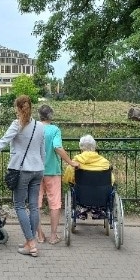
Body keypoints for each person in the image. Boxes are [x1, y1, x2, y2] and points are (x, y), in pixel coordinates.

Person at [0, 95, 45, 257]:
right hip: (38, 169)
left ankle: (31, 244)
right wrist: (42, 169)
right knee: (33, 206)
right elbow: (43, 151)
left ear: (17, 108)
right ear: (30, 107)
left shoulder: (17, 125)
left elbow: (1, 144)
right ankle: (30, 241)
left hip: (22, 170)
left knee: (19, 205)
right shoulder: (40, 126)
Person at [36, 105, 79, 245]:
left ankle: (40, 235)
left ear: (39, 115)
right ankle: (53, 236)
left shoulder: (34, 128)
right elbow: (57, 147)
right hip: (52, 171)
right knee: (54, 204)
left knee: (35, 204)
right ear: (51, 116)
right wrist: (71, 162)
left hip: (34, 171)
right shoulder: (54, 130)